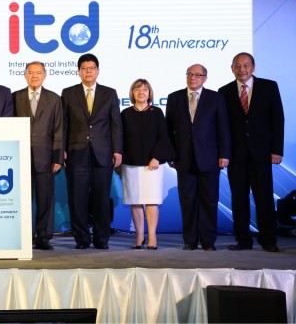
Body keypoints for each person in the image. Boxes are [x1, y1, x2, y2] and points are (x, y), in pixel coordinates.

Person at [219, 52, 284, 252]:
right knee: (239, 199)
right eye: (238, 66)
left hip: (262, 153)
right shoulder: (224, 91)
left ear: (253, 67)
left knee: (264, 198)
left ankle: (268, 240)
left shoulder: (269, 86)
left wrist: (276, 150)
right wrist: (224, 153)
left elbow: (278, 119)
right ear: (232, 69)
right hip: (236, 155)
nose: (242, 69)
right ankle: (243, 240)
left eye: (246, 65)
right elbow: (222, 126)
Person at [166, 64, 230, 251]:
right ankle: (190, 241)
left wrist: (224, 154)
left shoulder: (215, 98)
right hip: (183, 158)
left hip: (210, 158)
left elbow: (223, 128)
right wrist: (171, 154)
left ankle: (208, 241)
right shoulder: (174, 97)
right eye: (190, 74)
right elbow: (168, 129)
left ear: (205, 78)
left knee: (209, 200)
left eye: (197, 75)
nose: (193, 77)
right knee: (187, 201)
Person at [62, 53, 123, 250]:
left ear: (98, 70)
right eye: (84, 68)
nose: (88, 71)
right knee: (77, 199)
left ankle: (101, 239)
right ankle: (81, 239)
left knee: (101, 199)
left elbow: (115, 124)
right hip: (76, 153)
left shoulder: (109, 93)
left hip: (102, 154)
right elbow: (63, 125)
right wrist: (61, 150)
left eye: (92, 68)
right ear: (79, 71)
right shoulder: (68, 93)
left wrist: (118, 150)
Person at [12, 61, 64, 250]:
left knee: (45, 200)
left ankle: (43, 237)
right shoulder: (14, 97)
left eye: (38, 72)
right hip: (20, 157)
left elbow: (58, 130)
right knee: (22, 201)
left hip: (46, 157)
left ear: (45, 75)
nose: (34, 76)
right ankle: (23, 237)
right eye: (31, 72)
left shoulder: (54, 99)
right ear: (25, 75)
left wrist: (57, 158)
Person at [120, 79, 176, 250]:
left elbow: (163, 136)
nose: (141, 92)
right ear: (132, 93)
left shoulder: (156, 112)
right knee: (135, 202)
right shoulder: (125, 113)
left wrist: (157, 157)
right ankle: (139, 237)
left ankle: (152, 237)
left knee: (151, 202)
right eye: (137, 89)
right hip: (130, 164)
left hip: (152, 165)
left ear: (149, 93)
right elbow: (121, 138)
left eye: (145, 89)